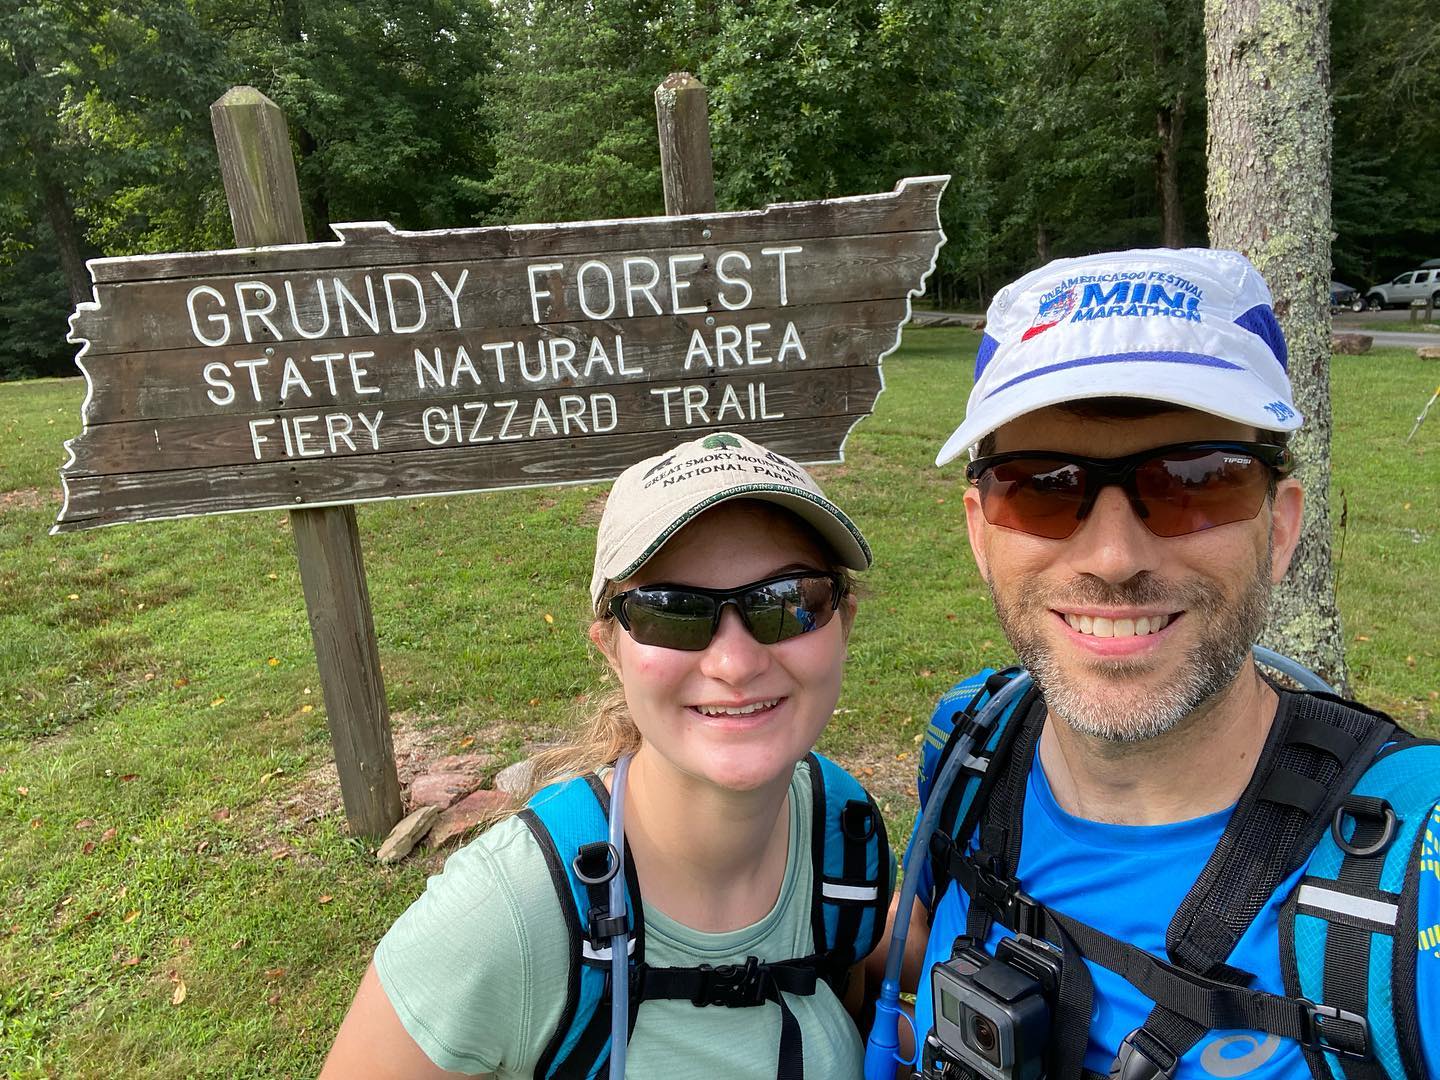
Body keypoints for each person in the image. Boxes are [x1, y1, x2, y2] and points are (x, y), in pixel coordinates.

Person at [878, 248, 1439, 1080]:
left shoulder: (1415, 873)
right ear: (979, 533)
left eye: (1194, 480)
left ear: (1279, 530)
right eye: (1042, 485)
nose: (1111, 555)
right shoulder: (968, 743)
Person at [322, 430, 893, 1079]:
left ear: (842, 620)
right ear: (610, 649)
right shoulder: (505, 913)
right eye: (670, 612)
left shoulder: (843, 832)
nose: (735, 663)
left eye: (787, 603)